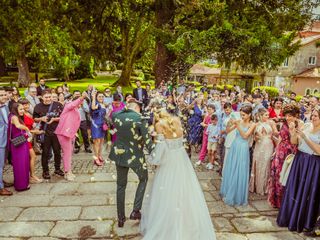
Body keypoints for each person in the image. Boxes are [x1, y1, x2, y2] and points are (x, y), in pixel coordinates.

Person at [140, 110, 216, 240]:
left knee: (166, 191)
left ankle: (168, 224)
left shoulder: (160, 125)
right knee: (184, 190)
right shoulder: (177, 121)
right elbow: (180, 141)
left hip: (168, 161)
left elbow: (161, 149)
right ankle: (186, 222)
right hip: (181, 158)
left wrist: (153, 160)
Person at [109, 98, 153, 228]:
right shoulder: (141, 119)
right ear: (138, 108)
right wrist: (156, 154)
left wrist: (126, 106)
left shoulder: (116, 115)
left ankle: (120, 218)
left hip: (120, 154)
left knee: (121, 185)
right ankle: (135, 210)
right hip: (135, 156)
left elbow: (116, 113)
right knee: (143, 179)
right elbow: (148, 142)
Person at [277, 108, 320, 233]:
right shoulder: (306, 125)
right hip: (299, 160)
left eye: (316, 116)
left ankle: (302, 221)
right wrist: (293, 132)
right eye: (312, 115)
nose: (312, 118)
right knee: (294, 189)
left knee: (306, 192)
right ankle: (289, 218)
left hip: (312, 163)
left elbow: (318, 151)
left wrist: (306, 138)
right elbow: (294, 142)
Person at [220, 105, 255, 206]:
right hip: (234, 146)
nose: (242, 116)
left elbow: (245, 136)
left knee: (240, 170)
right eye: (241, 115)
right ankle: (228, 191)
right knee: (232, 168)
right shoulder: (238, 121)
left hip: (243, 147)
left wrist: (238, 125)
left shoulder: (252, 124)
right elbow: (228, 131)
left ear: (249, 115)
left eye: (243, 115)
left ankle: (237, 195)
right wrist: (231, 123)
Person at [267, 104, 300, 208]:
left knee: (288, 176)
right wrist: (275, 150)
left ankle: (286, 203)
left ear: (296, 115)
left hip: (291, 153)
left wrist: (292, 129)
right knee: (278, 175)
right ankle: (277, 202)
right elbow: (281, 137)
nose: (287, 117)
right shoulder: (284, 123)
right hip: (280, 151)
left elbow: (295, 141)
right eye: (286, 115)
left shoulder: (300, 124)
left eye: (290, 115)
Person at [55, 92, 88, 181]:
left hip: (70, 134)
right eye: (80, 103)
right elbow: (74, 104)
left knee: (69, 153)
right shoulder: (69, 105)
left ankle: (68, 171)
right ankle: (67, 172)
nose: (81, 105)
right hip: (63, 133)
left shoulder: (75, 109)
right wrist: (82, 97)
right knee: (67, 153)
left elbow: (66, 118)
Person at [33, 90, 64, 179]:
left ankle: (57, 169)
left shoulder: (58, 105)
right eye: (46, 97)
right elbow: (34, 118)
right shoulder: (38, 107)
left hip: (56, 132)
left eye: (49, 97)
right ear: (42, 97)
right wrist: (41, 119)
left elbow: (63, 117)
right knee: (45, 153)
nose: (48, 99)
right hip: (44, 133)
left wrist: (54, 119)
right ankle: (45, 171)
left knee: (57, 152)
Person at [249, 108, 276, 195]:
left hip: (268, 144)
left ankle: (266, 188)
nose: (268, 116)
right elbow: (253, 138)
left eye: (268, 115)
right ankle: (257, 187)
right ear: (260, 115)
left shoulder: (271, 122)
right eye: (266, 115)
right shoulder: (256, 124)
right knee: (258, 163)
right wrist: (257, 137)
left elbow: (275, 132)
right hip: (259, 145)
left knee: (266, 164)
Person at [8, 103, 31, 191]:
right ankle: (21, 185)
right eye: (21, 109)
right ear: (15, 109)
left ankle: (23, 183)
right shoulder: (14, 117)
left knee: (23, 163)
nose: (23, 111)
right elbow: (18, 126)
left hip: (21, 142)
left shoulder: (13, 115)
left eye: (23, 109)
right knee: (21, 164)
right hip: (18, 144)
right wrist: (26, 128)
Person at [20, 99, 43, 184]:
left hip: (30, 139)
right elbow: (24, 129)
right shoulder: (21, 116)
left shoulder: (28, 114)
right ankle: (32, 175)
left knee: (31, 157)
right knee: (33, 156)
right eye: (24, 105)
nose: (26, 106)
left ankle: (30, 175)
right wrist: (35, 131)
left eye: (27, 104)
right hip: (25, 139)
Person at [0, 87, 12, 196]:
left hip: (6, 139)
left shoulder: (6, 107)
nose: (4, 97)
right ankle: (1, 188)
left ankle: (1, 181)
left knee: (2, 164)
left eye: (4, 94)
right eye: (1, 95)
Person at [91, 91, 107, 166]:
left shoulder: (103, 104)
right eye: (99, 96)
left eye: (102, 96)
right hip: (96, 125)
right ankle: (96, 158)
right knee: (96, 141)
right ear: (97, 97)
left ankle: (99, 155)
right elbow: (93, 107)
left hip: (102, 125)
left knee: (101, 141)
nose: (101, 98)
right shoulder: (96, 103)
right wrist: (93, 96)